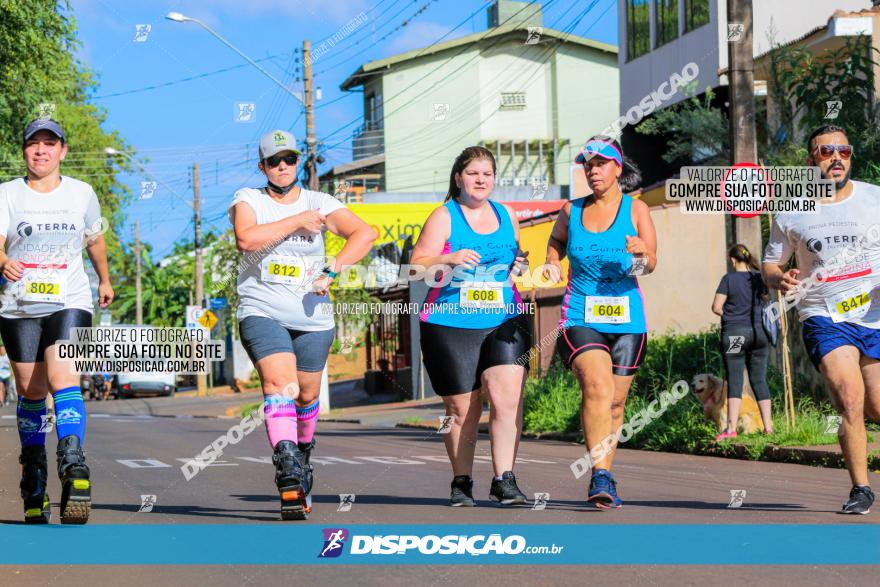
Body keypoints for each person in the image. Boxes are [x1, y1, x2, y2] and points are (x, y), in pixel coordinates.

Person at [229, 130, 375, 520]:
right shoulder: (249, 200)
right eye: (274, 161)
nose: (282, 166)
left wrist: (333, 268)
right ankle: (288, 464)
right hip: (262, 310)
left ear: (298, 162)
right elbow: (246, 238)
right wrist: (298, 221)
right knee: (279, 383)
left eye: (289, 159)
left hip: (313, 316)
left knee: (307, 397)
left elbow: (365, 233)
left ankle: (303, 454)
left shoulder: (320, 202)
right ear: (262, 166)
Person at [0, 118, 113, 524]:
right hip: (18, 305)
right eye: (34, 144)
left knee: (64, 376)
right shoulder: (7, 194)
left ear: (63, 151)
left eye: (50, 143)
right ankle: (34, 472)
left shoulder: (82, 193)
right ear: (24, 151)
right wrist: (4, 260)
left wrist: (104, 278)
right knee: (31, 392)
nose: (41, 150)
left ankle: (72, 459)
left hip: (70, 298)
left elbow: (94, 239)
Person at [763, 124, 880, 515]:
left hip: (873, 315)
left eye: (843, 151)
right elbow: (770, 263)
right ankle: (861, 488)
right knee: (849, 397)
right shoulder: (792, 210)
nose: (836, 158)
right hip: (823, 314)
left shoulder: (874, 198)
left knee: (877, 407)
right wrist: (779, 277)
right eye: (827, 151)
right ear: (811, 159)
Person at [413, 146, 531, 507]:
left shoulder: (506, 215)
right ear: (459, 178)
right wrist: (447, 258)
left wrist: (521, 267)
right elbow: (417, 267)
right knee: (461, 410)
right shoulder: (444, 216)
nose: (481, 180)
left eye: (487, 174)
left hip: (503, 316)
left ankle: (504, 479)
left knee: (506, 397)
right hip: (450, 322)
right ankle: (461, 481)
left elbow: (518, 256)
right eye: (474, 173)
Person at [545, 136, 656, 509]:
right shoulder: (570, 210)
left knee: (616, 402)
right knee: (596, 385)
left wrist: (641, 253)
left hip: (627, 316)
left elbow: (650, 264)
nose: (593, 170)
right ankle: (599, 474)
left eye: (601, 163)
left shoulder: (637, 210)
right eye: (588, 164)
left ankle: (605, 471)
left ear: (617, 168)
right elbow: (556, 241)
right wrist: (550, 261)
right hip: (580, 313)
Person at [711, 244, 773, 440]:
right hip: (759, 335)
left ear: (732, 260)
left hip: (736, 334)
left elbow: (716, 307)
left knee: (735, 380)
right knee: (759, 380)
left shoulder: (728, 279)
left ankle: (730, 429)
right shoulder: (758, 278)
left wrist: (730, 315)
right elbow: (766, 300)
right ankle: (768, 428)